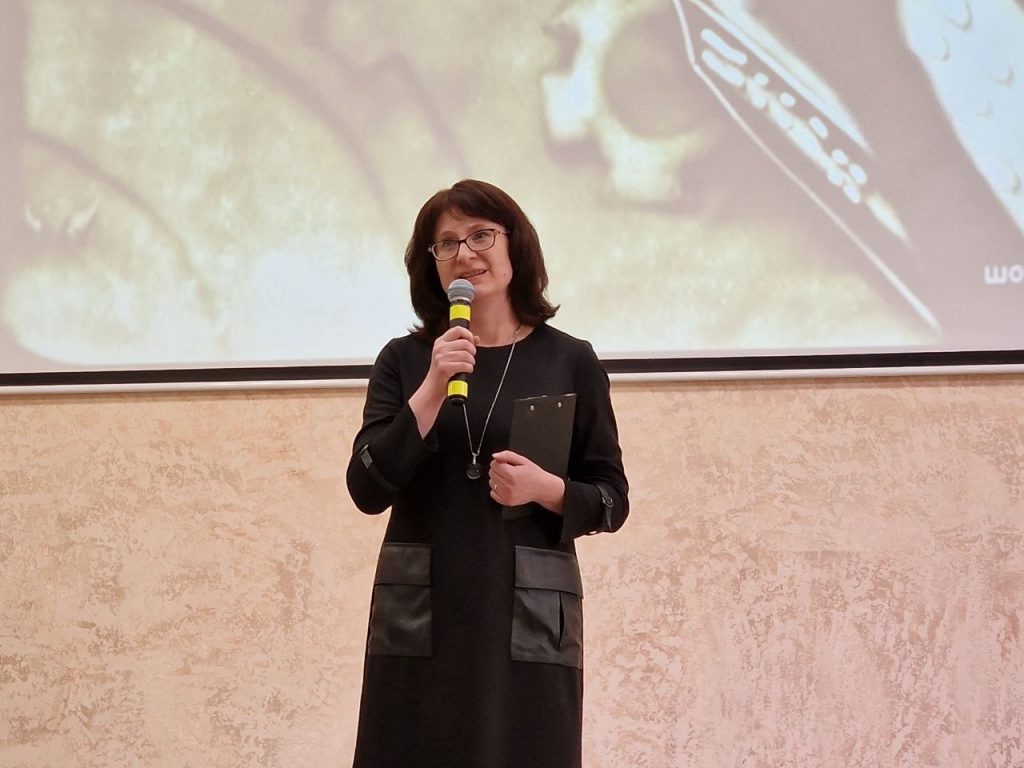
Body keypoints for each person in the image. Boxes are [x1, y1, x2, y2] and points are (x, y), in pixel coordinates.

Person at [345, 179, 629, 768]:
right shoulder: (405, 360)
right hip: (424, 607)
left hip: (526, 612)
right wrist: (430, 388)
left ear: (514, 243)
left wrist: (547, 490)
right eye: (446, 243)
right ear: (431, 265)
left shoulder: (570, 359)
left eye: (481, 235)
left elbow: (611, 499)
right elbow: (366, 488)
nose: (465, 254)